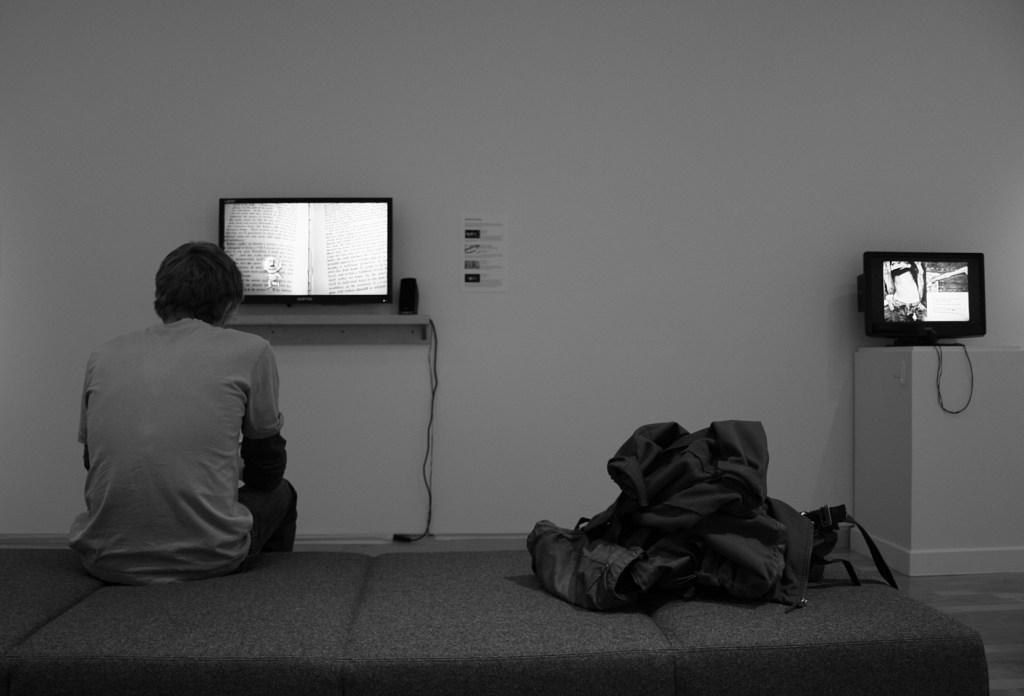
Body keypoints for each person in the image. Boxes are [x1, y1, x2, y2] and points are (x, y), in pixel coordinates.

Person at [70, 241, 297, 584]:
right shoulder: (252, 350)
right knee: (281, 492)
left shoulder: (103, 354)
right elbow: (266, 472)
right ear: (229, 306)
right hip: (209, 558)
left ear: (158, 303)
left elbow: (94, 460)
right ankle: (263, 593)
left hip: (103, 559)